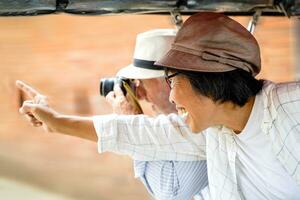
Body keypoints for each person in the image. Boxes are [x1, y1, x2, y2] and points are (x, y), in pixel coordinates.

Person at [17, 29, 208, 200]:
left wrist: (130, 122)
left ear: (169, 81)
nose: (139, 95)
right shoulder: (179, 126)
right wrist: (54, 119)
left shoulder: (203, 123)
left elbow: (169, 193)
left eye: (141, 83)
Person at [154, 12, 300, 199]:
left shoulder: (291, 105)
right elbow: (159, 132)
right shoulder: (217, 131)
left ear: (206, 79)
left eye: (171, 81)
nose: (171, 98)